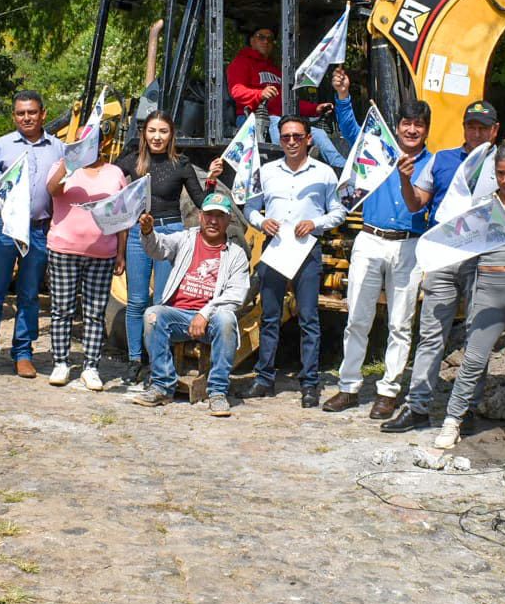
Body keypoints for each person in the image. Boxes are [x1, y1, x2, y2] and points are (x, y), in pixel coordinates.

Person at [385, 100, 501, 433]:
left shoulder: (502, 163)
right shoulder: (441, 159)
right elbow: (415, 203)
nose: (476, 133)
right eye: (471, 126)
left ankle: (466, 409)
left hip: (482, 259)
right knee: (431, 335)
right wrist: (406, 180)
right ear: (463, 127)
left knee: (477, 335)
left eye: (483, 127)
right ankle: (418, 407)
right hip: (443, 256)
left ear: (494, 130)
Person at [322, 69, 432, 418]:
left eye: (419, 125)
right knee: (357, 316)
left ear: (426, 129)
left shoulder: (433, 163)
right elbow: (352, 130)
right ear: (398, 126)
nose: (412, 130)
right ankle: (349, 386)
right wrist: (342, 96)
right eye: (406, 123)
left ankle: (388, 390)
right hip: (369, 239)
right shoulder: (378, 149)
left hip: (409, 246)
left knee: (401, 322)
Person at [433, 137, 505, 451]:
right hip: (488, 288)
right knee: (473, 359)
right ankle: (452, 420)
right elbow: (466, 245)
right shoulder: (483, 206)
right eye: (500, 173)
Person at [115, 111, 223, 388]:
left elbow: (202, 201)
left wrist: (211, 179)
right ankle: (134, 361)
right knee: (137, 301)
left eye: (163, 131)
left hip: (171, 234)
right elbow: (109, 187)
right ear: (144, 133)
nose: (157, 137)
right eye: (152, 131)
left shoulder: (182, 164)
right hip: (140, 233)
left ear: (171, 134)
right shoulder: (130, 162)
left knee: (162, 302)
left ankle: (157, 363)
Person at [246, 114, 346, 407]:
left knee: (308, 318)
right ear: (279, 139)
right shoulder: (266, 172)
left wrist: (315, 223)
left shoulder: (325, 173)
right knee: (269, 316)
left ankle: (310, 384)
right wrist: (261, 222)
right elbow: (251, 207)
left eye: (297, 136)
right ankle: (264, 379)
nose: (291, 142)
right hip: (275, 248)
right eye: (286, 137)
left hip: (306, 249)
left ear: (308, 139)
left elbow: (338, 211)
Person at [131, 192, 251, 416]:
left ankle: (217, 392)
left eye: (219, 216)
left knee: (226, 320)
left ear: (228, 220)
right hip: (179, 315)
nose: (213, 221)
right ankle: (162, 386)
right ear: (200, 216)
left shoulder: (235, 254)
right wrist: (148, 232)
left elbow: (236, 295)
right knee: (152, 314)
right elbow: (159, 248)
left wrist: (205, 313)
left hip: (211, 319)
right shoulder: (185, 239)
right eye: (209, 215)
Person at [0, 91, 64, 378]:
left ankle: (23, 353)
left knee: (29, 294)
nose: (26, 117)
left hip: (39, 229)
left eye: (32, 112)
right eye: (21, 113)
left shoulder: (59, 148)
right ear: (14, 116)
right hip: (4, 228)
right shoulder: (1, 146)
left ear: (43, 114)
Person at [45, 144, 127, 391]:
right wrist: (69, 165)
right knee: (62, 309)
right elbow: (52, 189)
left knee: (95, 312)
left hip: (102, 253)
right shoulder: (64, 167)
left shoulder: (115, 173)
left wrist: (121, 253)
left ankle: (91, 367)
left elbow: (122, 215)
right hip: (64, 249)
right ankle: (61, 362)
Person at [226, 24, 345, 169]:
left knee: (318, 133)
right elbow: (236, 91)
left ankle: (344, 171)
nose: (266, 42)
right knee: (278, 122)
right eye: (261, 37)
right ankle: (284, 166)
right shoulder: (241, 62)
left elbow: (289, 101)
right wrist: (259, 94)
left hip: (282, 121)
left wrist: (316, 109)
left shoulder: (275, 70)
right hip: (253, 119)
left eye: (270, 39)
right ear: (251, 41)